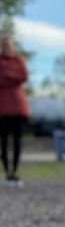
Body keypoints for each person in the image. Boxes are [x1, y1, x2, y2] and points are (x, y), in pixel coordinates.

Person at [0, 37, 30, 186]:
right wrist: (13, 78)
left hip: (18, 107)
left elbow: (24, 76)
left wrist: (7, 76)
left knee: (17, 141)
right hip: (3, 108)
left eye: (9, 45)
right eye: (4, 45)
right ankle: (7, 173)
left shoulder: (19, 60)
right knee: (3, 142)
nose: (7, 47)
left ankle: (15, 171)